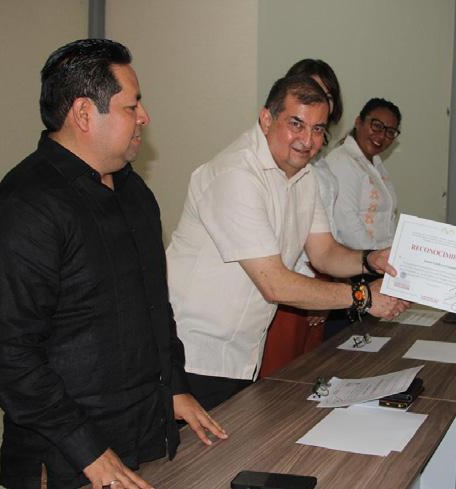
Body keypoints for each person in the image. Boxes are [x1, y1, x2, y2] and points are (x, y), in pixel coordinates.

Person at [0, 39, 226, 489]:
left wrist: (174, 386)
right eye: (132, 106)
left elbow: (154, 307)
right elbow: (11, 355)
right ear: (85, 113)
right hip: (70, 459)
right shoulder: (26, 208)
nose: (144, 117)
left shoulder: (133, 193)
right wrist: (86, 448)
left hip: (144, 435)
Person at [166, 75, 409, 410]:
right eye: (296, 124)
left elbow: (324, 253)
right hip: (192, 355)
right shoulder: (236, 174)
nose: (307, 140)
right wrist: (363, 297)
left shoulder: (304, 175)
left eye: (318, 129)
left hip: (242, 353)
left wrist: (371, 259)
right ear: (266, 119)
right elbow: (275, 283)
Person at [259, 59, 343, 378]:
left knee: (308, 376)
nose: (315, 99)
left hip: (318, 277)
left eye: (325, 95)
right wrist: (315, 292)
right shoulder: (267, 167)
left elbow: (325, 241)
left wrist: (327, 284)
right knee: (278, 381)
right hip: (286, 284)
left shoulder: (318, 167)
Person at [325, 98, 401, 251]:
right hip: (357, 259)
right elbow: (346, 222)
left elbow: (388, 219)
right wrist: (372, 258)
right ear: (358, 122)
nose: (381, 136)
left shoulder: (376, 164)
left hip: (380, 257)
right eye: (377, 126)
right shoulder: (342, 161)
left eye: (390, 132)